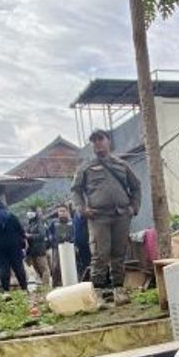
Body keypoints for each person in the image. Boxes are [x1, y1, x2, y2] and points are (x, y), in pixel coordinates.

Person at [71, 129, 140, 304]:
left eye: (100, 139)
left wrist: (134, 207)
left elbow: (136, 186)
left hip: (121, 215)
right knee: (100, 255)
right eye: (94, 141)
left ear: (108, 141)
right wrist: (82, 209)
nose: (98, 143)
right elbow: (76, 190)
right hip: (98, 217)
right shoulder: (86, 167)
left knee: (119, 253)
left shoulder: (121, 165)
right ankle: (98, 294)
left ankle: (119, 290)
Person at [48, 203, 76, 286]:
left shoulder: (72, 222)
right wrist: (52, 240)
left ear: (67, 212)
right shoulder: (54, 222)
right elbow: (49, 232)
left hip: (70, 247)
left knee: (72, 265)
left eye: (64, 211)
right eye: (60, 211)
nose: (62, 213)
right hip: (57, 247)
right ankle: (56, 284)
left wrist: (73, 240)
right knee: (56, 267)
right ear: (58, 212)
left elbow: (75, 233)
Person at [25, 210, 52, 288]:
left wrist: (30, 236)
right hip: (32, 250)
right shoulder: (30, 224)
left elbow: (42, 235)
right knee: (36, 268)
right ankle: (42, 283)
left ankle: (46, 286)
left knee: (44, 268)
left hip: (39, 249)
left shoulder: (39, 223)